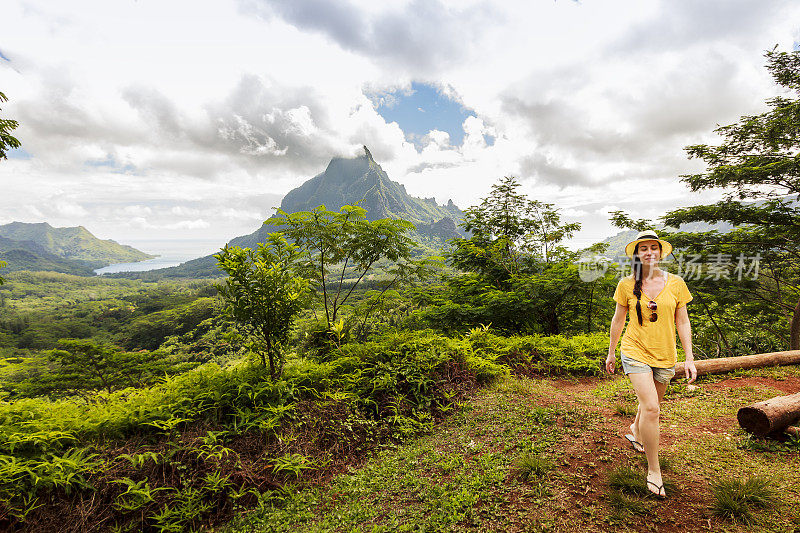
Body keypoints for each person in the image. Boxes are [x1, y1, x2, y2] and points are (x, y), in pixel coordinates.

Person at [605, 230, 697, 499]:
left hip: (666, 354)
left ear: (660, 252)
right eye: (642, 248)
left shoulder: (677, 283)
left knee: (650, 405)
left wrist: (689, 358)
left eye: (653, 247)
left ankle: (635, 430)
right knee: (653, 408)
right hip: (635, 351)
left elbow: (683, 322)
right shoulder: (625, 284)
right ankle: (654, 470)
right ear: (637, 254)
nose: (648, 252)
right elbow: (618, 321)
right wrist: (611, 353)